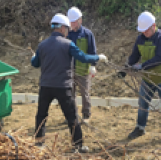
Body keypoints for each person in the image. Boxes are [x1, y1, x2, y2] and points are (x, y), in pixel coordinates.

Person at [31, 13, 108, 153]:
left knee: (41, 115)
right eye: (66, 29)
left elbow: (35, 64)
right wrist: (98, 57)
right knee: (72, 117)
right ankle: (78, 145)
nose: (67, 32)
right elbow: (83, 57)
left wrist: (33, 57)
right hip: (63, 87)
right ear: (61, 28)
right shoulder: (68, 44)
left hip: (45, 86)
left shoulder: (42, 45)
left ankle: (39, 143)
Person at [118, 11, 161, 142]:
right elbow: (134, 56)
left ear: (153, 26)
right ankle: (140, 127)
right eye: (142, 31)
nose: (144, 33)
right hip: (148, 78)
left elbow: (159, 58)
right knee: (143, 103)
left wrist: (141, 66)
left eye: (146, 30)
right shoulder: (140, 39)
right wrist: (125, 69)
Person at [66, 6, 98, 123]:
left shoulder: (87, 34)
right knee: (70, 94)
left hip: (84, 70)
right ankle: (72, 115)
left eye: (74, 21)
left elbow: (92, 51)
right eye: (70, 22)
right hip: (69, 69)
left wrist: (93, 65)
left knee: (85, 94)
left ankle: (86, 115)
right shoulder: (67, 34)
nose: (72, 24)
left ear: (80, 20)